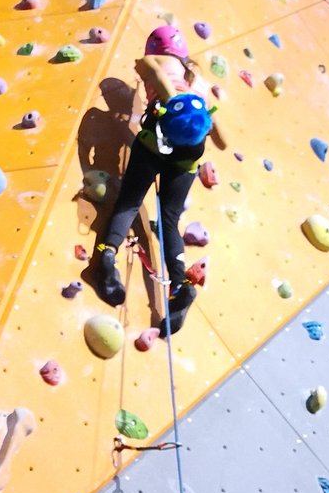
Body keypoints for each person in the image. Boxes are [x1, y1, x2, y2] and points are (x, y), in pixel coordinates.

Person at [93, 24, 228, 334]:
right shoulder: (200, 90)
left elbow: (145, 65)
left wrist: (162, 89)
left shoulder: (158, 64)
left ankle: (107, 256)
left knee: (129, 202)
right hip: (188, 155)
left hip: (156, 139)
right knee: (169, 220)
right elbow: (222, 143)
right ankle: (180, 285)